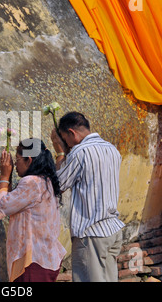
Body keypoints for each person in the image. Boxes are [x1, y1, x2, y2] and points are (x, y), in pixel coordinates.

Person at [50, 111, 125, 282]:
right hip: (112, 231)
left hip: (91, 233)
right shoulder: (112, 149)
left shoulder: (80, 152)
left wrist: (60, 152)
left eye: (65, 138)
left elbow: (58, 185)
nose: (67, 144)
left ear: (72, 133)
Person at [0, 138, 66, 282]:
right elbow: (13, 203)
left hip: (32, 262)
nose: (14, 164)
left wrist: (4, 176)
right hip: (43, 259)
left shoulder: (31, 183)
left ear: (29, 160)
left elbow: (0, 209)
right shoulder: (46, 181)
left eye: (17, 159)